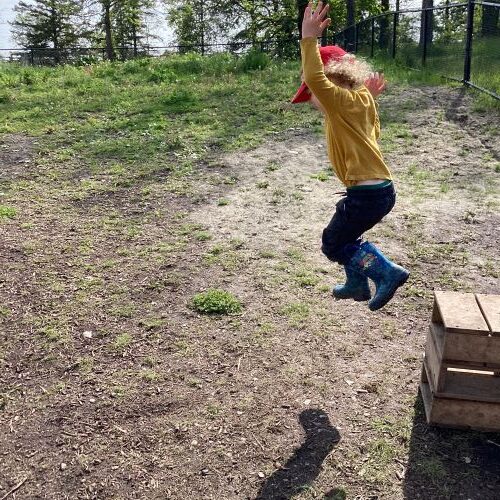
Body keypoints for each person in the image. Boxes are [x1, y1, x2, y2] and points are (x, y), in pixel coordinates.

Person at [292, 1, 409, 311]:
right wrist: (368, 96)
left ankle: (387, 273)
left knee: (333, 243)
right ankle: (357, 283)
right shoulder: (360, 102)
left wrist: (308, 39)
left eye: (311, 94)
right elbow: (371, 131)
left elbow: (316, 77)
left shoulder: (341, 101)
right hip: (379, 191)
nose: (312, 100)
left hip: (366, 195)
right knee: (347, 238)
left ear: (334, 81)